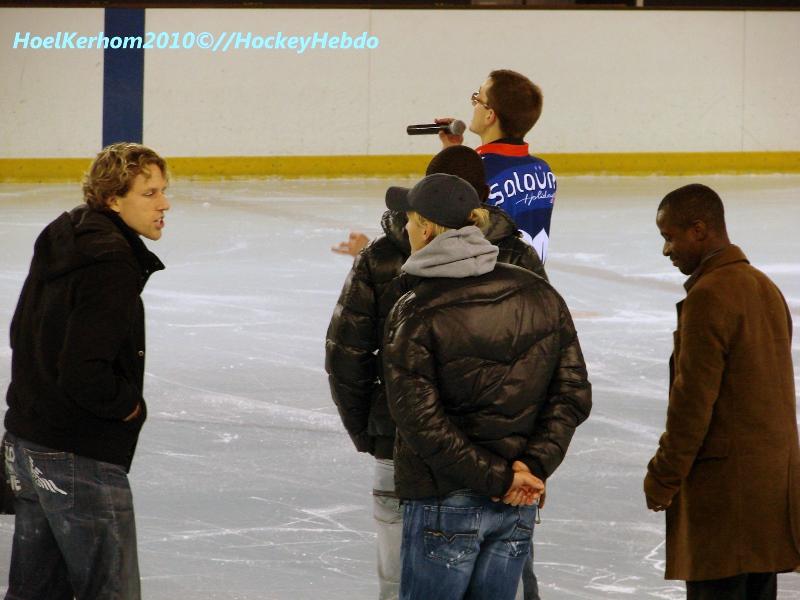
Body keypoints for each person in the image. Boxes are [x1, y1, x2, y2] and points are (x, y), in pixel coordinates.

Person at [325, 146, 547, 600]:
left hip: (403, 450)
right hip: (504, 456)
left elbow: (347, 354)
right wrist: (532, 453)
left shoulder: (380, 257)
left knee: (399, 586)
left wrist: (373, 432)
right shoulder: (518, 259)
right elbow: (545, 362)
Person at [382, 173, 591, 600]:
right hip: (517, 503)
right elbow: (571, 391)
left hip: (445, 501)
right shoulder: (539, 292)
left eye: (410, 220)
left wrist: (501, 480)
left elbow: (419, 421)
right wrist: (531, 468)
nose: (405, 228)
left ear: (426, 229)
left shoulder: (416, 310)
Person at [2, 142, 170, 600]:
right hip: (77, 456)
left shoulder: (66, 237)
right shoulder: (111, 263)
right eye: (150, 193)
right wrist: (128, 406)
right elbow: (84, 372)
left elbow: (21, 332)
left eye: (163, 191)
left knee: (35, 593)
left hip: (27, 443)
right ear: (113, 199)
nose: (164, 204)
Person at [644, 183, 800, 600]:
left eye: (669, 237)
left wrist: (663, 477)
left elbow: (692, 404)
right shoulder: (764, 287)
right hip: (769, 498)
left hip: (725, 503)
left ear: (699, 230)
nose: (666, 250)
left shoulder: (710, 296)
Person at [438, 69, 556, 264]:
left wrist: (453, 160)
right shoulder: (544, 171)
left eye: (478, 99)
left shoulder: (477, 171)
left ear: (489, 115)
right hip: (531, 279)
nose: (474, 104)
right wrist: (453, 152)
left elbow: (438, 223)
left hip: (488, 280)